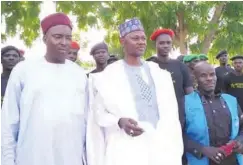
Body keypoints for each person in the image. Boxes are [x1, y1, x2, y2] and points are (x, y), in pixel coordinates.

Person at [86, 18, 183, 165]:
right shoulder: (109, 75)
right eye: (135, 38)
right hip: (127, 148)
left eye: (143, 38)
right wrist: (119, 121)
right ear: (122, 41)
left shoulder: (159, 74)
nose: (141, 42)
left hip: (159, 147)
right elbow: (99, 113)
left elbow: (171, 115)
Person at [1, 13, 88, 165]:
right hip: (32, 157)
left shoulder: (79, 74)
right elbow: (8, 123)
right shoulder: (24, 70)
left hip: (71, 157)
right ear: (44, 39)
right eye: (58, 37)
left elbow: (87, 122)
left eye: (68, 37)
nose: (64, 42)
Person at [184, 61, 243, 165]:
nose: (209, 78)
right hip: (201, 160)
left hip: (232, 159)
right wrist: (202, 149)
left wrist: (240, 141)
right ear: (195, 78)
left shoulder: (230, 100)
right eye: (203, 75)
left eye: (212, 74)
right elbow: (177, 134)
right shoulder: (185, 103)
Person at [148, 28, 193, 127]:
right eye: (162, 43)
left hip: (179, 115)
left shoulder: (180, 66)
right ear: (156, 44)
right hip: (156, 116)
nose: (165, 46)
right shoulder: (148, 66)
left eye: (168, 43)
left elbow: (189, 93)